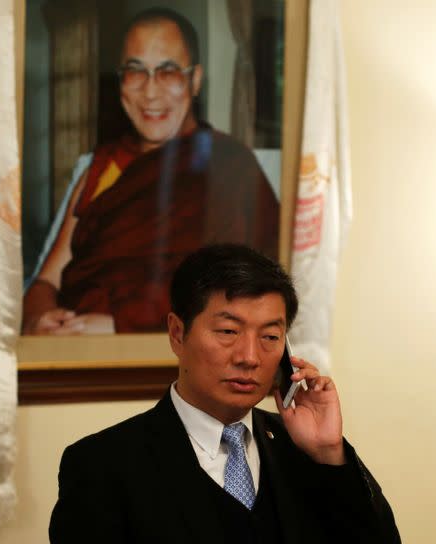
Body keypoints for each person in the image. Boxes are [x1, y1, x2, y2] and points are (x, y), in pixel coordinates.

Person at [49, 244, 400, 543]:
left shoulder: (305, 451)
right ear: (177, 333)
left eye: (269, 337)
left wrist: (329, 454)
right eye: (228, 331)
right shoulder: (101, 465)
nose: (249, 357)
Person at [23, 8, 280, 335]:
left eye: (168, 72)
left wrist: (119, 327)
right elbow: (47, 279)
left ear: (195, 80)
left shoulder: (228, 166)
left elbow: (246, 295)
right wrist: (41, 317)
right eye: (135, 71)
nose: (150, 91)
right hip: (79, 352)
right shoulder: (102, 168)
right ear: (120, 83)